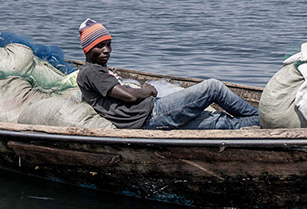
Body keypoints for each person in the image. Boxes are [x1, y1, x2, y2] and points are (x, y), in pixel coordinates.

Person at [75, 19, 260, 131]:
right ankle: (265, 118)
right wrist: (147, 90)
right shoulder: (91, 71)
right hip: (153, 114)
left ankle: (265, 122)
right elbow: (130, 96)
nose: (107, 50)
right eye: (100, 46)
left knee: (222, 124)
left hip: (150, 118)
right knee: (212, 88)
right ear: (88, 49)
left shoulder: (97, 72)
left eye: (109, 45)